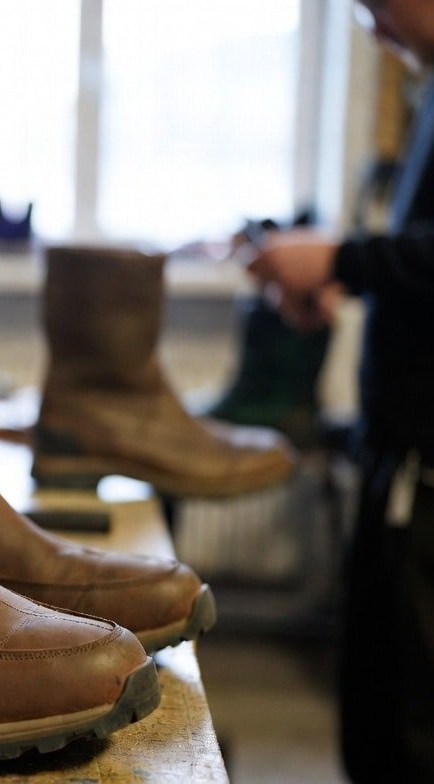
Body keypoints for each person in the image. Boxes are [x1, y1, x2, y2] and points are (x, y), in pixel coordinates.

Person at [245, 2, 434, 780]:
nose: (374, 28)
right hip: (398, 452)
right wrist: (341, 277)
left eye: (379, 6)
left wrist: (342, 260)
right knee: (377, 713)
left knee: (415, 726)